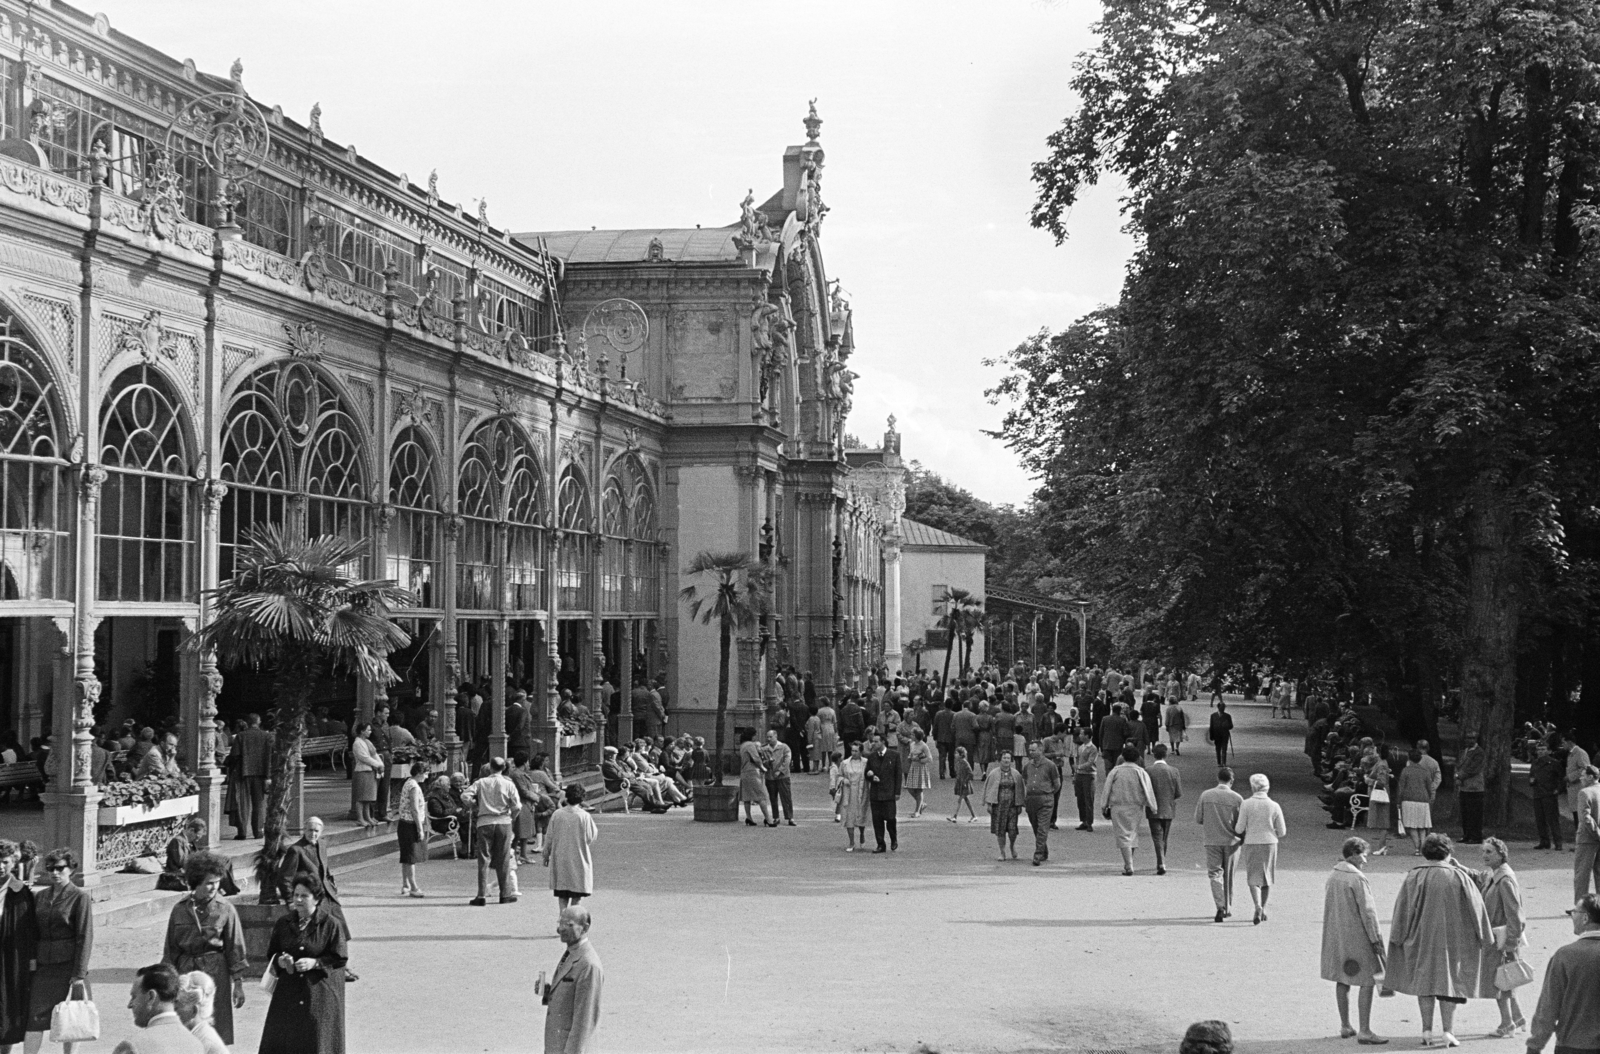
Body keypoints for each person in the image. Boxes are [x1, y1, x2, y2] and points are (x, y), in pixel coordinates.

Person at [1385, 833, 1494, 1049]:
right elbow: (1476, 907)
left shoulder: (1414, 876)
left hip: (1421, 937)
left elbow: (1403, 909)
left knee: (1425, 984)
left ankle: (1426, 1030)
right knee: (1449, 985)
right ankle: (1448, 1031)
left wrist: (1397, 936)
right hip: (1453, 939)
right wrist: (1484, 936)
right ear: (1448, 852)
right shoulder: (1459, 876)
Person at [160, 851, 246, 1046]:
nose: (214, 887)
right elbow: (170, 949)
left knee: (214, 1027)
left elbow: (235, 948)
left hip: (216, 974)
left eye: (217, 882)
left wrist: (238, 984)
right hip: (185, 972)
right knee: (184, 1025)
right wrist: (167, 982)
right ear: (195, 883)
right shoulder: (179, 910)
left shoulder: (226, 909)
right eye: (209, 883)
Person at [259, 875, 346, 1054]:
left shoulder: (331, 925)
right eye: (296, 895)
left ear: (316, 899)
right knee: (286, 1040)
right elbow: (272, 953)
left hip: (317, 995)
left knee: (315, 1042)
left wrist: (315, 963)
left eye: (304, 896)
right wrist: (281, 961)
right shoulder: (284, 923)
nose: (298, 900)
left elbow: (340, 958)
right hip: (288, 994)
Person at [1320, 836, 1388, 1044]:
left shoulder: (1334, 875)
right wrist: (1376, 939)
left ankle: (1345, 1025)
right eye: (1363, 856)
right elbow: (1368, 913)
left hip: (1337, 935)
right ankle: (1365, 1029)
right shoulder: (1357, 879)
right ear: (1354, 855)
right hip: (1358, 936)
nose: (1365, 861)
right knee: (1367, 980)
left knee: (1343, 979)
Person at [25, 848, 92, 1054]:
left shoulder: (80, 897)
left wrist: (79, 974)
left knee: (72, 1017)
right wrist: (33, 961)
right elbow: (33, 932)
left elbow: (84, 936)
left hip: (69, 966)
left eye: (60, 868)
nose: (55, 873)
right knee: (34, 1017)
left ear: (71, 869)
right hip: (45, 966)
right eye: (50, 868)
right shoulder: (40, 896)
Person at [1469, 837, 1529, 1038]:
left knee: (1500, 981)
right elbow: (1479, 877)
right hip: (1498, 937)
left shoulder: (1505, 879)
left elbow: (1516, 914)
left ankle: (1507, 1023)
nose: (1484, 856)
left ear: (1501, 854)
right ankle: (1518, 1017)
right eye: (1483, 851)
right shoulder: (1495, 875)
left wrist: (1510, 943)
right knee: (1506, 978)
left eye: (1489, 852)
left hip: (1503, 938)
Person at [1526, 893, 1600, 1054]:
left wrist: (1534, 1046)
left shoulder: (1565, 956)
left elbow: (1548, 1008)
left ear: (1585, 918)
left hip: (1574, 1045)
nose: (1572, 917)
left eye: (1574, 912)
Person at [541, 906, 603, 1054]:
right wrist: (550, 993)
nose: (561, 929)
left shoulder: (588, 965)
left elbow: (585, 1019)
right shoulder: (572, 952)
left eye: (568, 925)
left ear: (585, 927)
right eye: (560, 923)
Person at [463, 757, 521, 906]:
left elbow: (465, 795)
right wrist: (511, 818)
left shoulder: (481, 783)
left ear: (490, 768)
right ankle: (505, 894)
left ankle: (481, 895)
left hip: (485, 821)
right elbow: (517, 807)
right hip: (503, 821)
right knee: (504, 860)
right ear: (503, 768)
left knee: (483, 859)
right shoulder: (509, 784)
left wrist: (474, 806)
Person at [112, 963, 202, 1054]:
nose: (130, 1005)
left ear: (151, 997)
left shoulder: (132, 1046)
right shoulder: (196, 1045)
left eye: (134, 996)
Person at [1234, 773, 1287, 924]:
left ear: (1252, 787)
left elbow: (1239, 828)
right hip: (1270, 843)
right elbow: (1282, 831)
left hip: (1252, 842)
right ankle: (1263, 908)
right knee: (1266, 877)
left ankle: (1256, 905)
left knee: (1253, 877)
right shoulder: (1274, 805)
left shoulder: (1246, 804)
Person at [1097, 744, 1157, 876]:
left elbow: (1107, 789)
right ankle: (1128, 862)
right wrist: (1153, 806)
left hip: (1118, 807)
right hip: (1136, 807)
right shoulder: (1141, 772)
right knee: (1132, 833)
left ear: (1123, 757)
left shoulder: (1115, 771)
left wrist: (1104, 805)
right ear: (1137, 758)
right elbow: (1148, 790)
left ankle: (1129, 865)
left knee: (1123, 835)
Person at [1, 839, 37, 1054]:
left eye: (4, 862)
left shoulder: (21, 892)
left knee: (8, 1006)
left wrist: (31, 961)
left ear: (13, 863)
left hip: (11, 958)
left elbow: (29, 930)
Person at [543, 785, 599, 913]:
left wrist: (546, 854)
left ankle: (562, 916)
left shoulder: (557, 814)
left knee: (562, 893)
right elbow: (591, 837)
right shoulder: (584, 816)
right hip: (578, 857)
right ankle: (571, 919)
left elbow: (549, 836)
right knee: (576, 893)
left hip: (560, 857)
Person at [1020, 741, 1061, 866]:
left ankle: (1037, 855)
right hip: (1031, 800)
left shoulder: (1050, 765)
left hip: (1046, 799)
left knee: (1043, 828)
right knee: (1036, 827)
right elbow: (1025, 781)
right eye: (1030, 750)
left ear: (1040, 750)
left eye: (1033, 750)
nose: (1030, 752)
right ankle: (1044, 851)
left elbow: (1057, 784)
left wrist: (1048, 794)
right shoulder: (1027, 766)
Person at [983, 750, 1026, 861]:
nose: (1006, 760)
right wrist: (989, 803)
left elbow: (1020, 789)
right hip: (998, 807)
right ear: (1000, 759)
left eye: (1008, 758)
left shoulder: (1016, 774)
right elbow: (989, 788)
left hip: (1012, 806)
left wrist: (1020, 804)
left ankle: (1012, 846)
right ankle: (1002, 852)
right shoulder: (994, 773)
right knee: (1000, 830)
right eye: (1004, 758)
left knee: (1012, 830)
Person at [235, 714, 272, 840]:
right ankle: (258, 832)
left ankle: (242, 832)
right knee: (258, 804)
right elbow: (269, 757)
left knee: (243, 804)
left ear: (247, 722)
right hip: (260, 773)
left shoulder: (240, 736)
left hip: (243, 773)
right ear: (259, 721)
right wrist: (268, 775)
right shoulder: (266, 736)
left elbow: (235, 755)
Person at [397, 761, 430, 897]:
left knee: (406, 855)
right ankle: (414, 887)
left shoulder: (408, 782)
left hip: (404, 823)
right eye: (426, 773)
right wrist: (420, 828)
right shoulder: (414, 787)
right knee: (411, 856)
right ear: (419, 773)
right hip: (410, 824)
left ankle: (405, 884)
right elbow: (415, 809)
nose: (427, 776)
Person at [865, 732, 902, 853]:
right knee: (877, 820)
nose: (873, 744)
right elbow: (867, 772)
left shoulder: (894, 755)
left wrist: (897, 792)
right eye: (873, 741)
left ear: (883, 742)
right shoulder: (871, 757)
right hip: (876, 793)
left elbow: (898, 775)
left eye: (876, 741)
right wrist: (871, 777)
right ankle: (880, 844)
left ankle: (893, 838)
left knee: (891, 818)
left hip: (889, 792)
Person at [173, 972, 226, 1054]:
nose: (171, 1012)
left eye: (176, 1008)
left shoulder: (203, 1042)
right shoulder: (196, 1033)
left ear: (193, 1011)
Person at [1397, 748, 1435, 855]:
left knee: (1411, 825)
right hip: (1423, 799)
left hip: (1408, 799)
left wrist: (1398, 801)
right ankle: (1423, 846)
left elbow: (1401, 787)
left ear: (1409, 758)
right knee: (1422, 825)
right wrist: (1430, 797)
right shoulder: (1425, 771)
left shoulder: (1406, 770)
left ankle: (1417, 847)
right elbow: (1429, 787)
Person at [1530, 739, 1566, 851]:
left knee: (1552, 819)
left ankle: (1558, 842)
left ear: (1548, 751)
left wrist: (1558, 790)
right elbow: (1531, 776)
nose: (1540, 752)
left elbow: (1562, 778)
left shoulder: (1554, 763)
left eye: (1543, 749)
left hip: (1549, 794)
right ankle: (1544, 841)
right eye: (1538, 749)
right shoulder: (1535, 763)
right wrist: (1531, 781)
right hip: (1538, 793)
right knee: (1540, 819)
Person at [1573, 765, 1600, 903]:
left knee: (1582, 874)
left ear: (1590, 777)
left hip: (1587, 839)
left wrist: (1597, 834)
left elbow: (1585, 817)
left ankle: (1580, 906)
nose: (1581, 778)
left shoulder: (1585, 792)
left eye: (1583, 775)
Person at [736, 729, 774, 828]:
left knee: (747, 797)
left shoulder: (743, 745)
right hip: (753, 772)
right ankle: (768, 819)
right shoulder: (750, 745)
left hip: (744, 771)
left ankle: (749, 817)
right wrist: (763, 767)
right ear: (752, 735)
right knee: (761, 796)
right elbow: (756, 758)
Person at [1456, 733, 1486, 844]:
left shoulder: (1479, 752)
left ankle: (1476, 836)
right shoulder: (1464, 751)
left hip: (1475, 788)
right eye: (1468, 738)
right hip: (1464, 787)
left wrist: (1460, 776)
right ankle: (1467, 834)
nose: (1470, 740)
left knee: (1475, 813)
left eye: (1473, 738)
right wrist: (1457, 776)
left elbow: (1474, 769)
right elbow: (1459, 765)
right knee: (1466, 813)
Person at [763, 729, 795, 826]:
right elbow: (762, 762)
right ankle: (776, 817)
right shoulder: (764, 749)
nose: (768, 739)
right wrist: (768, 763)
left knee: (786, 797)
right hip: (770, 777)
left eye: (770, 737)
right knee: (773, 798)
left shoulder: (784, 747)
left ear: (776, 736)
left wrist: (780, 771)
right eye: (767, 737)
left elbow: (787, 761)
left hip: (783, 777)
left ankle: (790, 817)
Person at [1071, 729, 1098, 832]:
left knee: (1088, 799)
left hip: (1089, 775)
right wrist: (1075, 775)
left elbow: (1090, 762)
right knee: (1080, 798)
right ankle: (1083, 820)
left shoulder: (1093, 748)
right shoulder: (1081, 747)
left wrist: (1078, 767)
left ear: (1087, 736)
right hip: (1080, 775)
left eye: (1082, 734)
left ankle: (1089, 822)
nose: (1080, 735)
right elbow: (1077, 759)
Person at [904, 729, 932, 818]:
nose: (911, 736)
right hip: (913, 767)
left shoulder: (924, 745)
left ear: (917, 736)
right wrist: (909, 758)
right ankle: (922, 804)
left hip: (920, 768)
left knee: (919, 789)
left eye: (913, 735)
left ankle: (917, 811)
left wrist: (920, 760)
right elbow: (911, 754)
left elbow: (929, 758)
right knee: (910, 787)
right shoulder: (912, 744)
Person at [947, 745, 976, 822]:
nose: (955, 755)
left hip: (965, 784)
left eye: (957, 753)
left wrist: (965, 781)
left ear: (961, 754)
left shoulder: (964, 762)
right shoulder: (958, 762)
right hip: (960, 783)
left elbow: (970, 773)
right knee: (966, 800)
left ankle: (955, 816)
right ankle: (973, 816)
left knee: (960, 800)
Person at [1207, 701, 1233, 766]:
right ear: (1218, 707)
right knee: (1218, 749)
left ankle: (1224, 762)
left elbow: (1231, 726)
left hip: (1225, 735)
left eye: (1224, 707)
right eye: (1222, 707)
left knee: (1224, 749)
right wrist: (1211, 736)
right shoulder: (1213, 716)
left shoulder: (1227, 716)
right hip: (1216, 735)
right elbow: (1211, 726)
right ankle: (1219, 762)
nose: (1223, 709)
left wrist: (1227, 725)